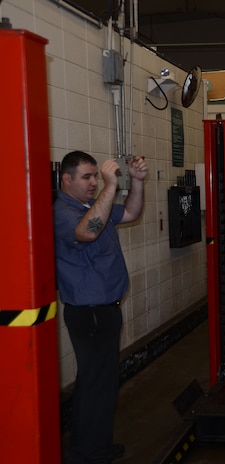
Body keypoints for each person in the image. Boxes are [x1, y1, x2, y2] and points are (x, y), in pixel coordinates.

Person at [53, 151, 148, 464]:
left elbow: (132, 213)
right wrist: (110, 186)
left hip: (105, 309)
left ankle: (95, 447)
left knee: (100, 382)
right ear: (66, 180)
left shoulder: (92, 207)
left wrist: (136, 182)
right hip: (89, 312)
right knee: (96, 384)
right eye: (87, 177)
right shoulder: (64, 212)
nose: (93, 183)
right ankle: (89, 454)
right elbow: (87, 232)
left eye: (96, 176)